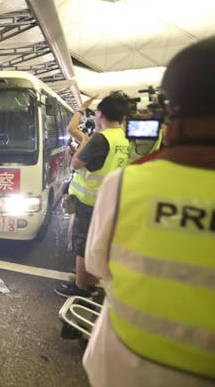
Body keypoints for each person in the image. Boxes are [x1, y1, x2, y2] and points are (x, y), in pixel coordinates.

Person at [83, 36, 215, 386]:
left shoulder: (126, 185)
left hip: (122, 365)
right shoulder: (126, 149)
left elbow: (97, 265)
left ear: (172, 110)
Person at [55, 93, 130, 298]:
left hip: (90, 201)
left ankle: (81, 287)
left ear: (101, 114)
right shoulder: (123, 137)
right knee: (95, 241)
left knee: (82, 243)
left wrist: (80, 148)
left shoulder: (100, 138)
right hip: (109, 198)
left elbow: (75, 164)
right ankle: (89, 279)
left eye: (96, 112)